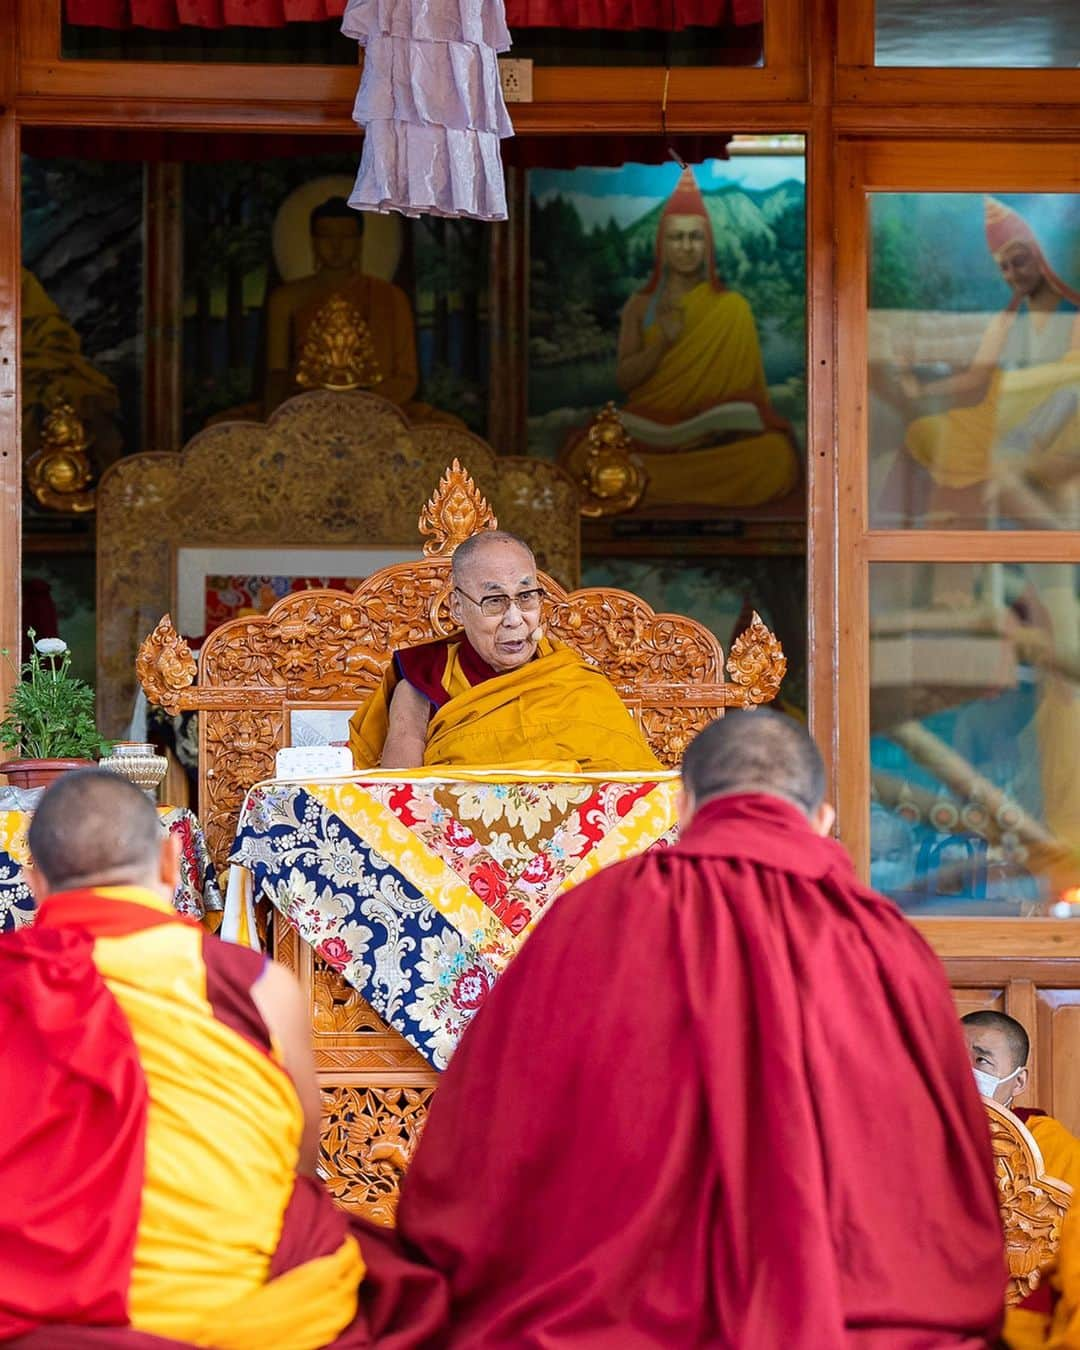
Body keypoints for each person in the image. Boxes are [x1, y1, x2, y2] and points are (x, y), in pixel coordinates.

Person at [392, 709, 1007, 1347]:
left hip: (602, 1325)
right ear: (822, 819)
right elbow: (946, 1189)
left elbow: (482, 1145)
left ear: (684, 807)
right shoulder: (888, 945)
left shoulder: (593, 915)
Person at [0, 769, 444, 1347]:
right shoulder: (257, 986)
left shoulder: (14, 981)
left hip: (43, 1310)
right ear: (169, 861)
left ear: (34, 883)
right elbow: (300, 1159)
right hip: (248, 1315)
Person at [349, 528, 662, 772]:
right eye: (494, 601)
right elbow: (399, 794)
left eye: (526, 597)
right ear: (457, 607)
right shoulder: (424, 680)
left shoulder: (575, 681)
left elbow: (631, 788)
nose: (515, 619)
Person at [613, 166, 799, 508]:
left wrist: (718, 427)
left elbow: (749, 397)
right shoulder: (640, 306)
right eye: (676, 237)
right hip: (650, 437)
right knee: (586, 456)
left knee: (775, 457)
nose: (686, 247)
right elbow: (625, 380)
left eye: (695, 237)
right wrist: (661, 346)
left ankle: (654, 490)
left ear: (708, 245)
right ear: (662, 245)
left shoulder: (733, 308)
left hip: (715, 441)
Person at [892, 196, 1080, 530]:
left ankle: (1056, 545)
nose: (1012, 274)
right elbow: (977, 378)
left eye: (1019, 262)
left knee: (1041, 479)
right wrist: (920, 383)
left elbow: (1068, 385)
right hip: (1013, 439)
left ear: (1040, 255)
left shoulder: (1073, 317)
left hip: (1057, 439)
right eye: (1003, 267)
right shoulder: (1004, 321)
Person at [962, 1010, 1080, 1350]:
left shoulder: (1049, 1147)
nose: (961, 1070)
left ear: (1018, 1080)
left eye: (981, 1060)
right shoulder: (905, 1135)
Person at [265, 195, 419, 414]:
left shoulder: (391, 298)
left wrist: (361, 404)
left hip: (377, 410)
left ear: (360, 241)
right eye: (326, 236)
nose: (336, 246)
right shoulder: (286, 299)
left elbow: (406, 378)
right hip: (307, 410)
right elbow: (277, 374)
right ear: (313, 241)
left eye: (346, 237)